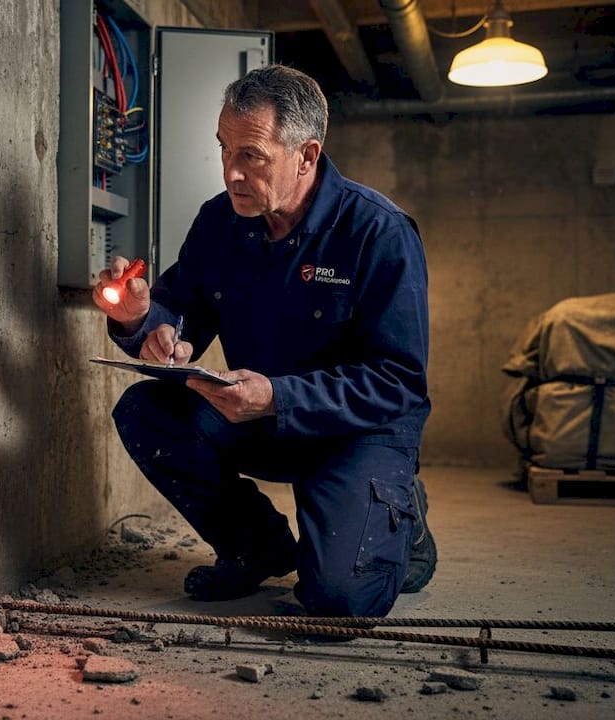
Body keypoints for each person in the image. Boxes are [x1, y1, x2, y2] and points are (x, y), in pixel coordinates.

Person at [92, 64, 434, 617]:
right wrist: (141, 319)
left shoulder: (378, 233)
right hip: (259, 415)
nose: (231, 173)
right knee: (148, 412)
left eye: (251, 155)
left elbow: (399, 381)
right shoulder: (219, 224)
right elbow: (180, 313)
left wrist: (280, 396)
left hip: (357, 433)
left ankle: (403, 522)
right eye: (225, 150)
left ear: (306, 155)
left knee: (339, 603)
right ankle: (256, 548)